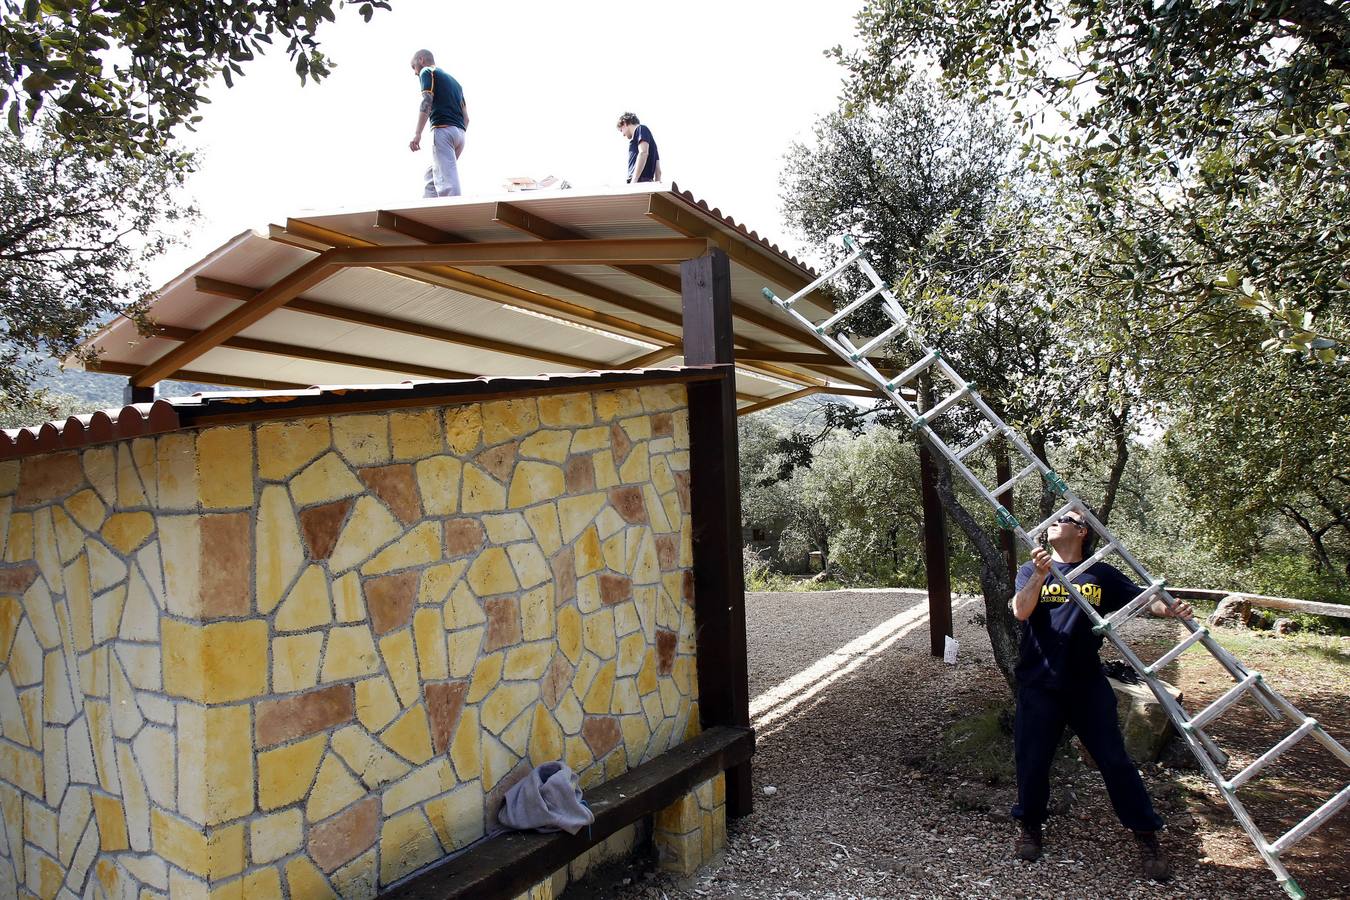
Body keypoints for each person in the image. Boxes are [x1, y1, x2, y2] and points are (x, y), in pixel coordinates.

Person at [1010, 509, 1194, 880]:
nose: (1054, 522)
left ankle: (1146, 835)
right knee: (1032, 760)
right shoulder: (1031, 569)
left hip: (1086, 684)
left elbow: (1144, 600)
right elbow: (1020, 611)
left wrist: (1169, 608)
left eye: (1066, 518)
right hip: (1039, 682)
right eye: (1053, 518)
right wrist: (1041, 576)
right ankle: (1030, 825)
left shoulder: (1100, 573)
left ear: (1082, 532)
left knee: (1114, 760)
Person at [409, 49, 468, 198]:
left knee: (447, 182)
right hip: (460, 133)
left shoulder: (427, 71)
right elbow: (467, 118)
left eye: (414, 67)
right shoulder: (456, 83)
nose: (415, 73)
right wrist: (457, 134)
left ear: (421, 60)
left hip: (443, 129)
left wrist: (417, 134)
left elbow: (427, 100)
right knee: (432, 175)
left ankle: (454, 214)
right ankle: (427, 207)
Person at [616, 112, 661, 184]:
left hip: (638, 182)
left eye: (621, 130)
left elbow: (643, 152)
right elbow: (658, 171)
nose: (623, 135)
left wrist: (634, 181)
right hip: (646, 183)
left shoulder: (641, 129)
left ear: (624, 123)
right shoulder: (651, 141)